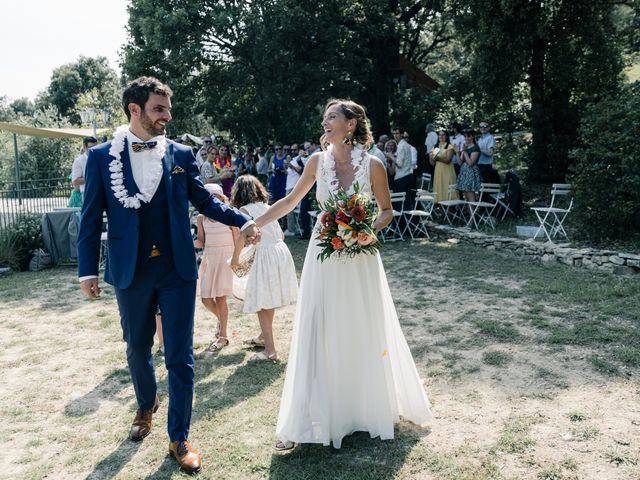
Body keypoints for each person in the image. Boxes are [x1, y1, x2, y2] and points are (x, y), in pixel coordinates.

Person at [77, 76, 260, 474]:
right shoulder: (100, 158)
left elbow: (203, 199)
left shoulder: (180, 153)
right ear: (135, 110)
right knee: (137, 350)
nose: (168, 116)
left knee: (180, 357)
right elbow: (90, 219)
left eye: (168, 108)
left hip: (177, 269)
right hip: (131, 272)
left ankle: (179, 436)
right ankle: (146, 404)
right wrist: (86, 271)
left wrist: (242, 220)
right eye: (160, 109)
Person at [253, 99, 432, 450]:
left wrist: (366, 231)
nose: (325, 123)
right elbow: (290, 201)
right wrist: (253, 222)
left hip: (361, 258)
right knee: (319, 327)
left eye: (332, 117)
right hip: (324, 258)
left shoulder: (375, 165)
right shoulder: (316, 162)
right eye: (324, 118)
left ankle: (362, 411)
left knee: (362, 326)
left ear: (350, 124)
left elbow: (386, 211)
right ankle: (303, 421)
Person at [229, 175, 298, 361]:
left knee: (261, 301)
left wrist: (235, 260)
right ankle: (262, 337)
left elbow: (242, 236)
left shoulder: (243, 209)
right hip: (280, 252)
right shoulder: (268, 207)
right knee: (268, 297)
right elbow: (281, 235)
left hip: (265, 254)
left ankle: (270, 351)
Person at [194, 183, 237, 355]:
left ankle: (223, 336)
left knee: (220, 298)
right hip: (210, 258)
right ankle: (222, 320)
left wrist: (236, 259)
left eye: (215, 196)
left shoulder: (228, 214)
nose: (212, 200)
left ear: (221, 197)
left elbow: (236, 238)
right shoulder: (201, 217)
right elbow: (201, 241)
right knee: (205, 298)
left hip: (225, 258)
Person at [430, 129, 458, 203]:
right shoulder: (436, 147)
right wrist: (431, 157)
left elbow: (448, 160)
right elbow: (432, 163)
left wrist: (437, 158)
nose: (441, 136)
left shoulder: (449, 146)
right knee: (440, 189)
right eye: (439, 135)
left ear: (446, 136)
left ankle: (450, 212)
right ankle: (442, 212)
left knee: (447, 189)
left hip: (447, 170)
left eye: (443, 135)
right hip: (438, 171)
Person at [70, 136, 98, 204]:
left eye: (96, 147)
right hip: (88, 195)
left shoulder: (99, 158)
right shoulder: (79, 161)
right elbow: (75, 181)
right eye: (91, 148)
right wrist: (92, 177)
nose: (94, 150)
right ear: (84, 147)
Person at [457, 129, 482, 202]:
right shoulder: (465, 146)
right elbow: (460, 163)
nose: (466, 138)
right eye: (465, 136)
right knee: (466, 196)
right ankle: (470, 212)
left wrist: (464, 152)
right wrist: (457, 152)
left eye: (468, 136)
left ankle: (473, 213)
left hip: (471, 172)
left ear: (473, 137)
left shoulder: (475, 148)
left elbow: (471, 163)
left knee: (471, 195)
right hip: (464, 172)